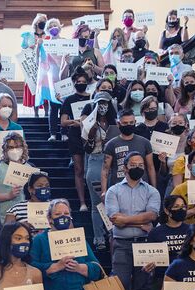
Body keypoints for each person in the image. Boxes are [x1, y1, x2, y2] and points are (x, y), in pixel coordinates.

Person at [105, 151, 161, 290]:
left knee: (141, 286)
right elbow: (115, 219)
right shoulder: (113, 190)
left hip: (145, 244)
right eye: (134, 164)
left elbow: (152, 216)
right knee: (119, 284)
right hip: (121, 244)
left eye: (141, 165)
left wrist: (126, 220)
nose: (138, 167)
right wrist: (139, 222)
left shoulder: (152, 191)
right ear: (125, 167)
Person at [83, 91, 120, 249]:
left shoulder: (115, 123)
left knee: (114, 200)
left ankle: (113, 233)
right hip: (96, 159)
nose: (103, 106)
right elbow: (86, 148)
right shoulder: (89, 122)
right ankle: (99, 238)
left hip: (114, 162)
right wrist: (91, 135)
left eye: (105, 103)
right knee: (98, 202)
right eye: (100, 103)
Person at [58, 68, 93, 212]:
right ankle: (82, 202)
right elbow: (63, 122)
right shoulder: (69, 100)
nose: (81, 83)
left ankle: (93, 199)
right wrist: (77, 122)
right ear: (74, 83)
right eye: (78, 81)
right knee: (79, 169)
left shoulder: (92, 98)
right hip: (75, 136)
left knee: (92, 170)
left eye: (84, 82)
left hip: (91, 135)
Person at [100, 110, 156, 195]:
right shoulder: (110, 144)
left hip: (142, 187)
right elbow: (105, 170)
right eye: (125, 123)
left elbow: (151, 167)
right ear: (118, 124)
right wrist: (104, 191)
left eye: (131, 122)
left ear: (135, 122)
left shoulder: (145, 143)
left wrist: (154, 189)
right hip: (118, 188)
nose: (128, 125)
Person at [0, 133, 29, 217]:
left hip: (25, 216)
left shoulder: (30, 168)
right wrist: (8, 196)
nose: (15, 150)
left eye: (18, 147)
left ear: (23, 148)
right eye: (11, 147)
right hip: (1, 215)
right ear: (5, 149)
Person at [37, 18, 67, 142]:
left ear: (60, 27)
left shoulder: (66, 42)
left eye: (55, 25)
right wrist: (39, 47)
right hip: (51, 79)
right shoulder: (45, 43)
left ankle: (64, 133)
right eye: (50, 26)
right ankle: (53, 133)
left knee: (65, 107)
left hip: (65, 77)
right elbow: (40, 59)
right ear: (47, 30)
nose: (53, 27)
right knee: (53, 107)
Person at [20, 14, 48, 117]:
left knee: (45, 89)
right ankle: (36, 113)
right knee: (34, 90)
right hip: (32, 65)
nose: (42, 23)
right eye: (41, 21)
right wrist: (31, 47)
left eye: (44, 21)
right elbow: (23, 50)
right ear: (36, 23)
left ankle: (46, 113)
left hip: (45, 65)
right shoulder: (29, 35)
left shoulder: (48, 35)